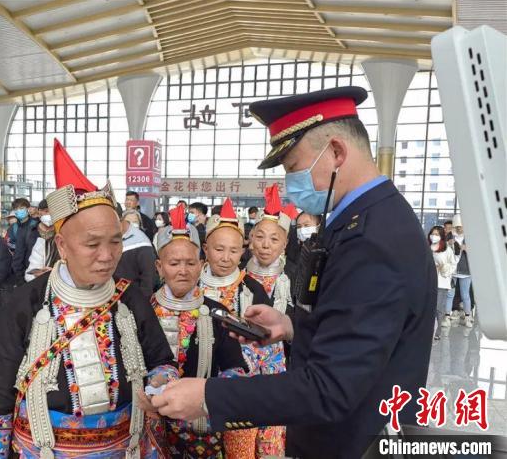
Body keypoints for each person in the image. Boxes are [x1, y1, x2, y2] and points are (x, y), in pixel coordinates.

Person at [152, 87, 436, 459]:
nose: (290, 185)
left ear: (336, 152)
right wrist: (290, 327)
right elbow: (358, 330)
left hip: (353, 443)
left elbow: (330, 387)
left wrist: (207, 396)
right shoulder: (362, 220)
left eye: (294, 168)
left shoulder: (373, 240)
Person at [0, 139, 176, 457]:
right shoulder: (26, 304)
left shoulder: (129, 299)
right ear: (62, 246)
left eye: (115, 242)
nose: (107, 256)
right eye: (92, 244)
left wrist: (159, 383)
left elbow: (162, 360)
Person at [149, 202, 247, 457]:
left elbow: (235, 369)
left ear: (201, 263)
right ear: (159, 267)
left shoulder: (217, 312)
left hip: (201, 427)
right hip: (149, 427)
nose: (183, 271)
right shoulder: (142, 310)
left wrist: (205, 395)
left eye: (190, 263)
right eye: (174, 263)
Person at [196, 197, 270, 456]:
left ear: (243, 251)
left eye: (234, 250)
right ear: (205, 249)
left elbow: (270, 350)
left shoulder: (253, 290)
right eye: (219, 249)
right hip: (197, 393)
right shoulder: (190, 287)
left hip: (242, 392)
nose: (226, 258)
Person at [115, 209, 157, 298]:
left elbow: (148, 278)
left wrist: (141, 303)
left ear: (120, 219)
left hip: (131, 299)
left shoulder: (141, 242)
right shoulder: (110, 237)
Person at [428, 226, 456, 339]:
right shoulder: (427, 247)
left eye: (436, 234)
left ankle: (437, 332)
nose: (434, 236)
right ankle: (428, 330)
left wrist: (442, 267)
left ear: (441, 236)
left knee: (438, 308)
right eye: (432, 233)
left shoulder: (447, 249)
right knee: (428, 308)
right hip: (428, 282)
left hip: (441, 283)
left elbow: (453, 265)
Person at [446, 214, 473, 327]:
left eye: (461, 226)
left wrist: (468, 249)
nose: (459, 228)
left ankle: (467, 317)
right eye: (457, 226)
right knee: (450, 294)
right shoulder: (449, 237)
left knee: (465, 294)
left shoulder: (471, 237)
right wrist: (448, 245)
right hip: (452, 271)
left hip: (466, 270)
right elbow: (442, 251)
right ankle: (447, 316)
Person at [23, 199, 59, 283]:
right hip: (34, 283)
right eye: (46, 211)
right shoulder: (30, 231)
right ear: (39, 212)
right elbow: (20, 256)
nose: (49, 215)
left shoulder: (60, 233)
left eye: (52, 212)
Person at [284, 211, 322, 280]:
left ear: (318, 226)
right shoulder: (293, 251)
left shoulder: (325, 250)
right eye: (299, 226)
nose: (302, 229)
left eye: (306, 225)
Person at [10, 198, 39, 280]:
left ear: (28, 209)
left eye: (21, 208)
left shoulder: (36, 225)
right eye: (16, 209)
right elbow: (10, 245)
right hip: (17, 271)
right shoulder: (13, 227)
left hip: (32, 269)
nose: (19, 211)